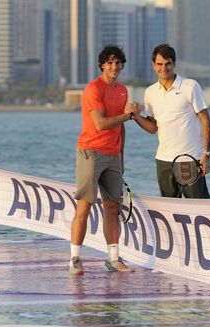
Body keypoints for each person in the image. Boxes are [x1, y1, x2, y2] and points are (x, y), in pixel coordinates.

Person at [69, 45, 141, 275]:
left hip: (113, 156)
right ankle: (75, 259)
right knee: (85, 206)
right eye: (110, 63)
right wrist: (127, 115)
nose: (114, 67)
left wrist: (121, 156)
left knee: (112, 207)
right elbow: (100, 123)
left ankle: (113, 259)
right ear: (102, 65)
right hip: (90, 152)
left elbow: (121, 127)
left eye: (118, 63)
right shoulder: (93, 89)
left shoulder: (122, 91)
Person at [133, 43, 210, 199]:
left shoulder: (190, 86)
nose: (164, 68)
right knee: (170, 211)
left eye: (168, 63)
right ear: (153, 65)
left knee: (201, 209)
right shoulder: (150, 92)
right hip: (163, 161)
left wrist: (206, 155)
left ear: (174, 64)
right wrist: (135, 116)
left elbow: (206, 120)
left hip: (188, 160)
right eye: (160, 64)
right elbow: (152, 128)